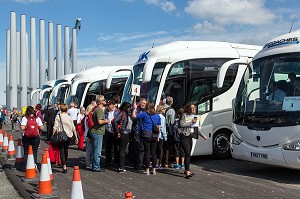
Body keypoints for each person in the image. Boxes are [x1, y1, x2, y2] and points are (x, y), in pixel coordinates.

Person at [178, 103, 207, 179]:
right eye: (192, 108)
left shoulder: (195, 116)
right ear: (188, 108)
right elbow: (182, 124)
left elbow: (196, 128)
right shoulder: (184, 115)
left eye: (194, 108)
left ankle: (187, 169)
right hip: (184, 136)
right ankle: (187, 171)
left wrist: (203, 136)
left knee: (189, 154)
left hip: (190, 136)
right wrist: (191, 122)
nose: (194, 109)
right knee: (187, 153)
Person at [132, 101, 161, 175]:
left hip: (146, 134)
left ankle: (147, 169)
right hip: (154, 135)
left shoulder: (144, 114)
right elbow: (159, 127)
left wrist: (135, 109)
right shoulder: (157, 115)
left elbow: (134, 116)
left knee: (147, 152)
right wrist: (158, 136)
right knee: (154, 153)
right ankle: (154, 169)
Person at [53, 103, 78, 173]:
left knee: (61, 149)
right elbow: (73, 128)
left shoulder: (58, 116)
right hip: (69, 135)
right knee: (66, 149)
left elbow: (55, 126)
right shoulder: (69, 117)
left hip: (61, 135)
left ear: (60, 109)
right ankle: (65, 163)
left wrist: (52, 135)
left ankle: (64, 165)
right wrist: (76, 137)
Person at [20, 106, 44, 171]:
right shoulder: (37, 118)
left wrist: (27, 127)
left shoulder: (25, 118)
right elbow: (42, 128)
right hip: (35, 137)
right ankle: (34, 165)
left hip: (26, 137)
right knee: (34, 152)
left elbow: (22, 127)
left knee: (26, 152)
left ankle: (25, 167)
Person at [90, 95, 109, 172]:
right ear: (101, 102)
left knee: (95, 150)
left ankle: (95, 165)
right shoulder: (99, 110)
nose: (106, 101)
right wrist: (107, 121)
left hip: (95, 131)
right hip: (97, 132)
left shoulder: (97, 109)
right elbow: (100, 121)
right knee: (97, 151)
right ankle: (96, 167)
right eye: (104, 100)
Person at [112, 102, 133, 173]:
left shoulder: (127, 114)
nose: (130, 108)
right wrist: (118, 131)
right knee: (122, 150)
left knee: (121, 149)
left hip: (125, 133)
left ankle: (119, 165)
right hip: (123, 133)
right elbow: (114, 121)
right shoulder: (123, 113)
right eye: (128, 107)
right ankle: (121, 167)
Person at [130, 98, 147, 170]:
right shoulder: (136, 109)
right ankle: (136, 163)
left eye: (144, 103)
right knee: (137, 147)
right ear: (139, 103)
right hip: (136, 130)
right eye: (142, 103)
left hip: (143, 131)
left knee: (142, 148)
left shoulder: (146, 111)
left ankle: (140, 163)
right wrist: (134, 108)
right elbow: (133, 118)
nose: (143, 104)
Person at [163, 96, 177, 168]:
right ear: (171, 102)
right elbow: (172, 122)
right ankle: (166, 162)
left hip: (162, 130)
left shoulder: (162, 108)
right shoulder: (171, 110)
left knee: (162, 147)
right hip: (169, 131)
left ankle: (160, 162)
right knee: (168, 147)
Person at [105, 100, 119, 167]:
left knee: (116, 146)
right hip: (108, 130)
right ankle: (108, 160)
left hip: (115, 130)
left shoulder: (117, 112)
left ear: (113, 105)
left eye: (109, 105)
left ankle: (116, 160)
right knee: (108, 146)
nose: (108, 106)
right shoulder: (107, 112)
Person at [84, 101, 96, 169]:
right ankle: (88, 164)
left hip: (87, 134)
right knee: (89, 150)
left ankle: (88, 163)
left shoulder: (86, 117)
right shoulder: (89, 118)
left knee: (89, 150)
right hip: (89, 135)